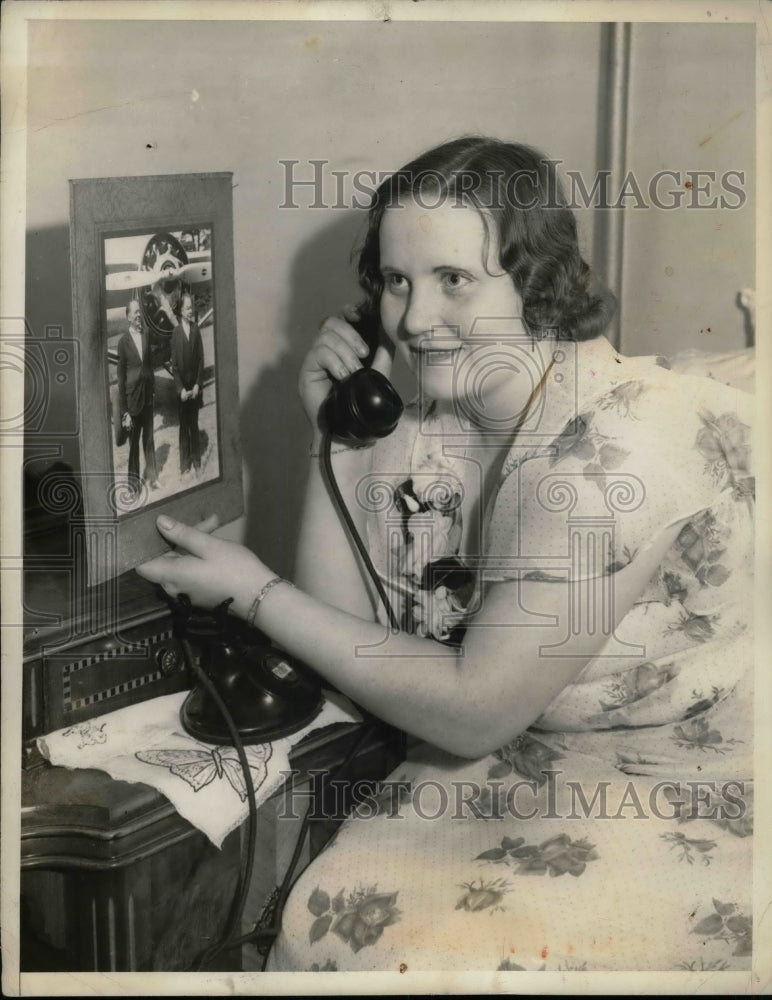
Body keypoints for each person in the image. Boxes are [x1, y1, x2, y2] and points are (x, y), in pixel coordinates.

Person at [138, 137, 754, 972]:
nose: (416, 319)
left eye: (454, 280)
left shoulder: (615, 445)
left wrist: (256, 594)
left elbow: (477, 708)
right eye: (397, 281)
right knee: (338, 916)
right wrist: (340, 443)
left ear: (535, 281)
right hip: (533, 750)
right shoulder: (437, 422)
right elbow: (350, 640)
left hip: (694, 764)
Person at [117, 299, 158, 494]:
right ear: (128, 317)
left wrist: (154, 390)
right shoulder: (122, 342)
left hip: (148, 399)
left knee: (149, 440)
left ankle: (153, 478)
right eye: (134, 312)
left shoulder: (147, 334)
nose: (138, 315)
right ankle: (133, 487)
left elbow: (149, 365)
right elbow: (121, 378)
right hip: (133, 402)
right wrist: (124, 412)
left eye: (139, 311)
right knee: (133, 446)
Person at [170, 292, 204, 476]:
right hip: (183, 391)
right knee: (184, 426)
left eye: (192, 307)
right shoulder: (175, 334)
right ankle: (184, 465)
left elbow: (200, 360)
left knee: (194, 424)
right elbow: (174, 367)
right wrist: (180, 389)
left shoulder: (196, 330)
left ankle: (197, 461)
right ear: (181, 310)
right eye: (188, 308)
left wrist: (198, 384)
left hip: (195, 389)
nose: (191, 311)